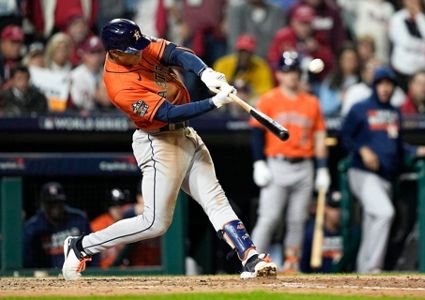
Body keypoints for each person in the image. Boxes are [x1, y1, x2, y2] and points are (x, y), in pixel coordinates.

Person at [62, 18, 277, 281]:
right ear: (115, 53)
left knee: (216, 200)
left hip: (186, 134)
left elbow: (176, 53)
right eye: (133, 50)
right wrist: (214, 102)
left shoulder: (135, 44)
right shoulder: (118, 85)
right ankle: (80, 246)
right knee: (155, 223)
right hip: (157, 141)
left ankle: (250, 257)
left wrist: (205, 73)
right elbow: (167, 113)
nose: (141, 51)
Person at [340, 66, 425, 273]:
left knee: (373, 221)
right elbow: (345, 137)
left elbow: (397, 146)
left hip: (385, 176)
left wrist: (418, 149)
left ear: (394, 87)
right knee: (385, 213)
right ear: (375, 85)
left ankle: (362, 270)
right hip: (363, 173)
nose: (385, 88)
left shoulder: (394, 112)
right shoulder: (360, 108)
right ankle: (373, 267)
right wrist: (363, 150)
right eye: (381, 84)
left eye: (389, 84)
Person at [250, 51, 330, 272]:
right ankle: (251, 261)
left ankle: (292, 262)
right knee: (269, 217)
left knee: (297, 219)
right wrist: (259, 162)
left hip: (304, 165)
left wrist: (323, 169)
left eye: (294, 71)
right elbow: (257, 133)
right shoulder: (268, 99)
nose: (291, 76)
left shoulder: (312, 102)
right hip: (277, 165)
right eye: (287, 71)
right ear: (279, 74)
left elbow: (319, 136)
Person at [23, 182, 93, 269]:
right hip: (46, 278)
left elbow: (93, 250)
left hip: (79, 273)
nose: (55, 206)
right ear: (43, 205)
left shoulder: (79, 219)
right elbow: (27, 261)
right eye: (51, 203)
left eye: (58, 202)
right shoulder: (32, 228)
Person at [213, 33, 273, 102]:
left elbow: (266, 93)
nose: (244, 55)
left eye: (247, 52)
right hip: (227, 100)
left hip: (250, 102)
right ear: (236, 51)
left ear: (252, 53)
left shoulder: (261, 66)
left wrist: (248, 91)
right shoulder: (223, 64)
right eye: (241, 51)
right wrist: (232, 85)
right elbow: (214, 90)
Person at [300, 191, 343, 273]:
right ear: (325, 208)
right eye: (333, 208)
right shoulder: (311, 233)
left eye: (339, 208)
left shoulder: (350, 233)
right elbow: (303, 265)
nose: (337, 212)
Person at [90, 188, 128, 269]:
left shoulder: (132, 223)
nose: (118, 209)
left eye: (121, 205)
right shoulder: (97, 226)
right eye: (114, 205)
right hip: (104, 273)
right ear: (108, 207)